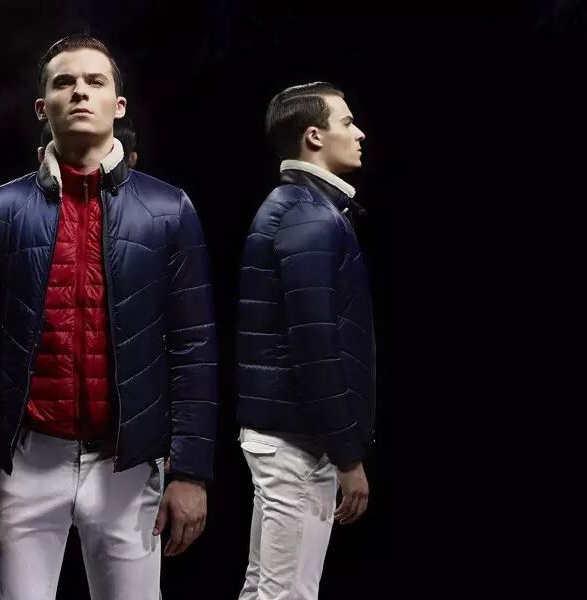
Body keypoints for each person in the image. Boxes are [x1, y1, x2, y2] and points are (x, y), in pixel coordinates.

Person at [0, 35, 218, 600]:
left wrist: (191, 472)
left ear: (119, 104)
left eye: (95, 81)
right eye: (64, 82)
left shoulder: (168, 208)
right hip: (23, 463)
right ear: (41, 107)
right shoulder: (0, 209)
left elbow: (193, 345)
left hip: (127, 465)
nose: (80, 92)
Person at [236, 81, 376, 600]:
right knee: (285, 594)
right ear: (314, 136)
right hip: (298, 441)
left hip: (287, 435)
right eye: (347, 122)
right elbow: (316, 348)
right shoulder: (309, 217)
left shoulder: (300, 207)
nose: (359, 134)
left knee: (266, 590)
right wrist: (348, 457)